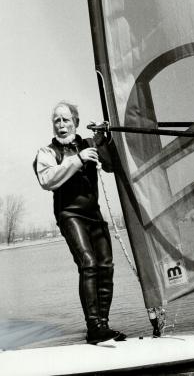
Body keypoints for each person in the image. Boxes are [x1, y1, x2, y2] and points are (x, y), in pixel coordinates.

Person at [33, 101, 126, 344]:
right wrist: (77, 159)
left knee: (106, 266)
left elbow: (111, 166)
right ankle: (94, 327)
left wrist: (103, 139)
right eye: (57, 120)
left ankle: (102, 327)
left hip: (93, 215)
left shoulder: (89, 144)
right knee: (88, 263)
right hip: (70, 214)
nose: (61, 125)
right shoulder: (47, 152)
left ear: (76, 122)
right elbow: (47, 179)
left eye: (65, 120)